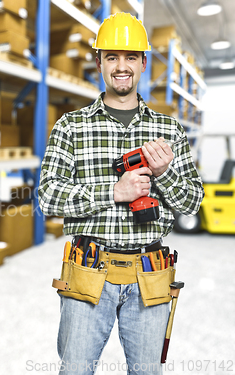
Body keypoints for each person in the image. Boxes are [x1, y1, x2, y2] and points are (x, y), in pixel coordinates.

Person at [38, 13, 204, 375]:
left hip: (150, 275)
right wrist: (113, 191)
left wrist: (164, 174)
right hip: (88, 270)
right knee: (75, 371)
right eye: (111, 57)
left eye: (130, 57)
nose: (121, 66)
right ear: (99, 63)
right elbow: (47, 197)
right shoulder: (71, 125)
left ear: (143, 62)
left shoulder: (169, 129)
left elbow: (192, 201)